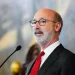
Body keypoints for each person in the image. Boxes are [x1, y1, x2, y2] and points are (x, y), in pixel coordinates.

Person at [26, 8, 75, 75]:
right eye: (34, 22)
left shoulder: (69, 59)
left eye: (42, 21)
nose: (36, 26)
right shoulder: (31, 65)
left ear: (57, 26)